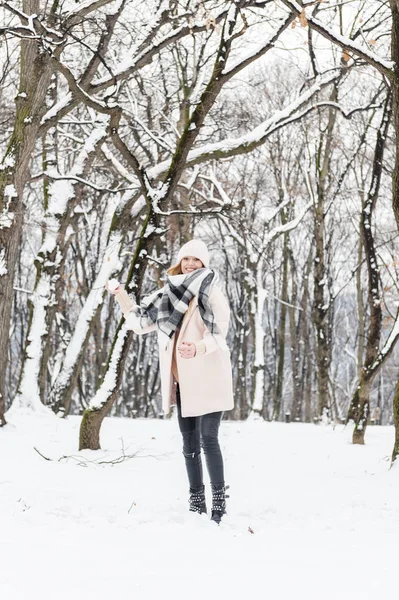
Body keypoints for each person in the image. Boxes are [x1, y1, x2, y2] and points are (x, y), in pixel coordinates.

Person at [106, 239, 234, 524]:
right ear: (180, 262)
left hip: (210, 376)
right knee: (189, 443)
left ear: (204, 264)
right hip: (183, 380)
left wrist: (198, 348)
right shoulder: (168, 293)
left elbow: (219, 333)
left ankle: (219, 503)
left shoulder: (211, 292)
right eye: (186, 259)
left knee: (208, 438)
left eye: (196, 260)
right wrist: (120, 295)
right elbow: (139, 323)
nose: (190, 264)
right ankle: (196, 500)